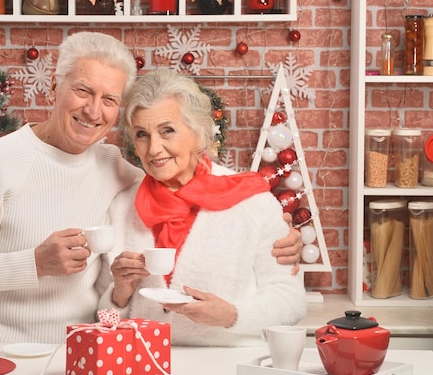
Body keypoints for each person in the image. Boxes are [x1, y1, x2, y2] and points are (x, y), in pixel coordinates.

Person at [0, 31, 302, 344]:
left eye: (109, 100)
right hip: (3, 351)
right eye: (83, 91)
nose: (94, 111)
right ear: (54, 87)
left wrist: (283, 229)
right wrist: (34, 264)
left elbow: (183, 186)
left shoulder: (118, 172)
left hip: (90, 351)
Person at [98, 69, 307, 346]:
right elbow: (103, 318)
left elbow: (291, 302)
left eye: (167, 131)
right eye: (142, 134)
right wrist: (120, 294)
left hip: (228, 368)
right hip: (142, 367)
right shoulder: (122, 207)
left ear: (197, 133)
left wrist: (231, 316)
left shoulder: (253, 202)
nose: (154, 148)